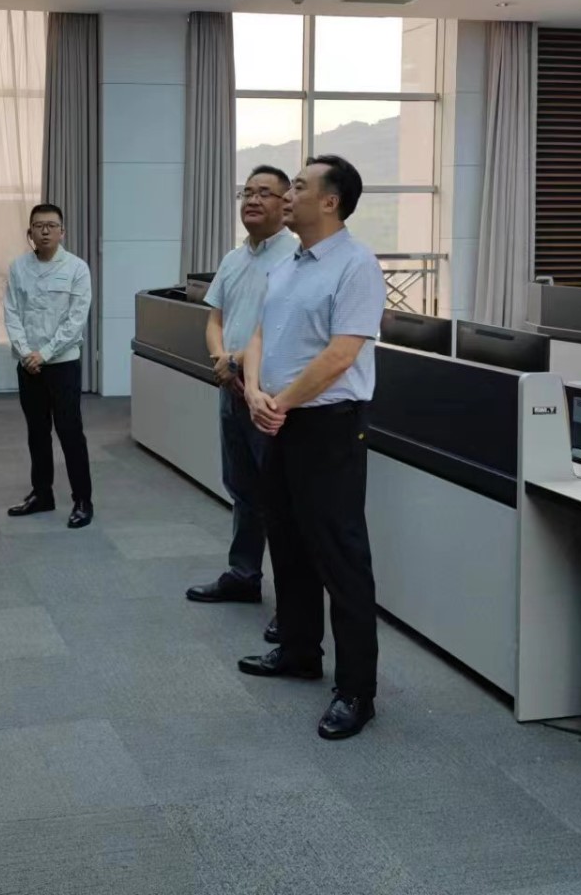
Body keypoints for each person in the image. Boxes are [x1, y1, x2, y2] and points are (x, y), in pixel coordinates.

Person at [237, 156, 387, 741]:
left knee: (340, 556)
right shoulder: (289, 264)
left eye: (298, 187)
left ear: (330, 201)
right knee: (287, 541)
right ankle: (300, 649)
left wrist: (279, 402)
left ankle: (357, 690)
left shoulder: (356, 265)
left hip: (328, 425)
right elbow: (258, 334)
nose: (286, 195)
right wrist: (255, 390)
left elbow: (342, 354)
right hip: (281, 419)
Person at [185, 166, 295, 644]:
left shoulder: (295, 257)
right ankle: (244, 575)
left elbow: (284, 331)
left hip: (271, 396)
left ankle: (293, 605)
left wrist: (236, 363)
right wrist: (222, 360)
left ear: (285, 203)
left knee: (281, 502)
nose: (252, 200)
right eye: (247, 192)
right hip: (232, 389)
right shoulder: (233, 258)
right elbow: (216, 318)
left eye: (264, 193)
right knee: (243, 489)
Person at [3, 203, 94, 528]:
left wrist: (44, 353)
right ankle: (42, 494)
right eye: (38, 226)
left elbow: (75, 320)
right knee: (37, 432)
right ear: (29, 232)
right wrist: (26, 352)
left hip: (62, 363)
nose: (45, 231)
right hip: (29, 364)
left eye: (51, 226)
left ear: (62, 232)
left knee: (70, 432)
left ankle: (82, 500)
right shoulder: (18, 267)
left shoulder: (77, 269)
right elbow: (12, 312)